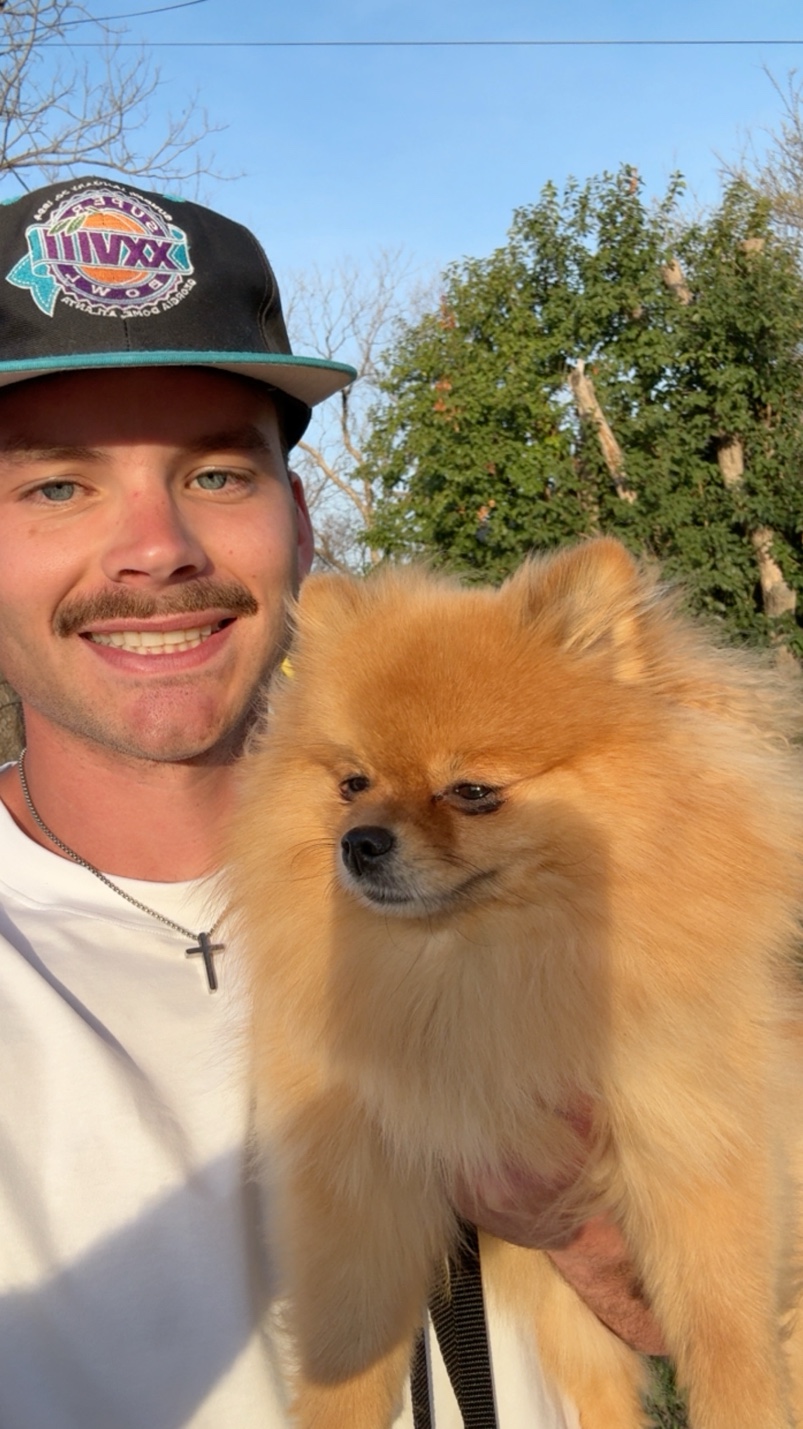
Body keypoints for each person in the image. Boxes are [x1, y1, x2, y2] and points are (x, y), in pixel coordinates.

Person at [0, 175, 662, 1429]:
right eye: (56, 486)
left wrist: (590, 1214)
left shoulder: (578, 869)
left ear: (298, 524)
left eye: (215, 474)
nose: (158, 548)